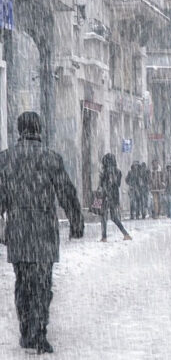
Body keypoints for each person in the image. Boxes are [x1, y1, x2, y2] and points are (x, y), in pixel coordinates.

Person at [0, 112, 84, 353]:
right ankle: (39, 332)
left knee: (23, 282)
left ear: (19, 130)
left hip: (18, 231)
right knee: (42, 284)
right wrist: (76, 221)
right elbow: (67, 192)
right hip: (44, 231)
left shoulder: (6, 159)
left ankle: (27, 331)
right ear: (39, 129)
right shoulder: (51, 158)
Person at [99, 153, 131, 242]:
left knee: (103, 216)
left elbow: (102, 185)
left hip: (106, 196)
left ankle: (104, 236)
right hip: (114, 196)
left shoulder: (104, 172)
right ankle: (125, 234)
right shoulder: (118, 172)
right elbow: (118, 184)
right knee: (114, 217)